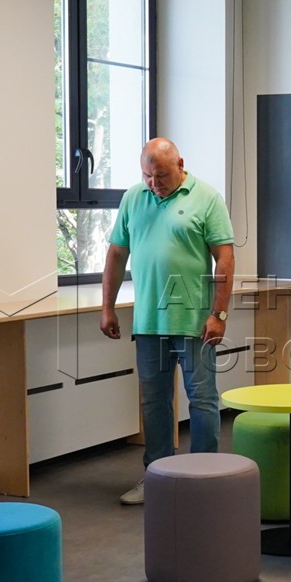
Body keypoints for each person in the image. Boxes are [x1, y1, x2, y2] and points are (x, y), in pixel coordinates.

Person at [101, 139, 236, 505]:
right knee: (154, 402)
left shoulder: (206, 198)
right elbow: (116, 254)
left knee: (202, 400)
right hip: (148, 322)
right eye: (147, 175)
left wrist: (219, 314)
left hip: (195, 322)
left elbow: (224, 258)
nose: (154, 183)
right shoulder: (134, 198)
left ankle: (204, 478)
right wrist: (107, 307)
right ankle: (157, 477)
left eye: (160, 175)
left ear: (180, 164)